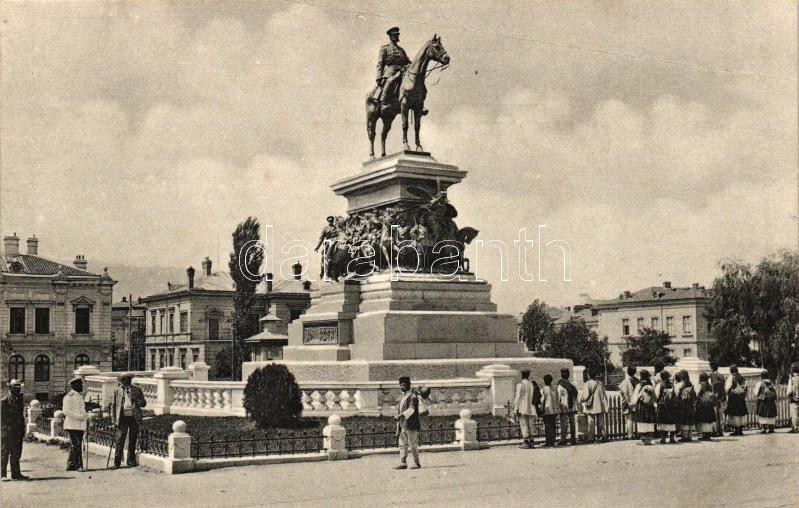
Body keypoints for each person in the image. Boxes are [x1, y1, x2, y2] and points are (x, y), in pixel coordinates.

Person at [111, 373, 147, 469]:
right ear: (121, 381)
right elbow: (113, 406)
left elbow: (143, 403)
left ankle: (130, 461)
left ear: (130, 380)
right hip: (122, 418)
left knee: (132, 439)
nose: (126, 382)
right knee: (119, 440)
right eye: (124, 380)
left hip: (134, 418)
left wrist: (136, 400)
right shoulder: (117, 391)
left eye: (128, 380)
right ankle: (117, 463)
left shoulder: (137, 390)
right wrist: (114, 420)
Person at [373, 27, 411, 104]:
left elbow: (407, 62)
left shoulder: (401, 50)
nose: (396, 37)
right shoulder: (385, 48)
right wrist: (378, 77)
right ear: (390, 36)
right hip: (391, 71)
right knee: (390, 81)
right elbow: (380, 63)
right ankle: (383, 101)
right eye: (394, 35)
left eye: (397, 35)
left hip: (402, 71)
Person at [1, 379, 28, 481]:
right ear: (9, 388)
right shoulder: (3, 401)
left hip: (18, 432)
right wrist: (6, 430)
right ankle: (2, 474)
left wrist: (22, 430)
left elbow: (21, 417)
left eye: (19, 388)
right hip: (7, 432)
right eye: (15, 388)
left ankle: (16, 474)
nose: (18, 390)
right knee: (4, 454)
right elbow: (2, 419)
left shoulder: (19, 400)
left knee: (16, 453)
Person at [394, 376, 422, 469]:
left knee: (412, 444)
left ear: (409, 385)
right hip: (403, 424)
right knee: (402, 444)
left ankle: (416, 463)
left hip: (411, 424)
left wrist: (400, 415)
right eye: (401, 385)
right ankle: (403, 462)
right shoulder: (404, 396)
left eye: (404, 385)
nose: (403, 387)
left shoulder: (413, 396)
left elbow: (411, 410)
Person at [63, 377, 88, 471]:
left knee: (75, 445)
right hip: (72, 425)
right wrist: (80, 417)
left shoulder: (80, 396)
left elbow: (82, 410)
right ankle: (79, 465)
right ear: (74, 385)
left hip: (80, 425)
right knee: (76, 445)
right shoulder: (68, 397)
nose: (82, 386)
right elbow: (66, 411)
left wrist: (85, 416)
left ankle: (70, 465)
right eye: (80, 384)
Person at [580, 370, 609, 443]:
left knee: (591, 422)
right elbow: (604, 393)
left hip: (591, 405)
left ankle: (591, 438)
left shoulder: (588, 383)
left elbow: (586, 396)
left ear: (589, 375)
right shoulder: (600, 383)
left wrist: (582, 399)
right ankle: (603, 436)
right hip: (600, 405)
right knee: (601, 422)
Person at [513, 369, 538, 449]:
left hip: (523, 407)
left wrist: (515, 408)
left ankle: (526, 442)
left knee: (524, 424)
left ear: (522, 375)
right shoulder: (531, 384)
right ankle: (532, 441)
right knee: (531, 424)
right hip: (531, 406)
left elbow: (517, 397)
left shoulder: (520, 384)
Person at [631, 370, 657, 445]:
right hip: (650, 406)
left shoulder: (639, 385)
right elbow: (655, 396)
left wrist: (633, 404)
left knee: (642, 422)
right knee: (649, 422)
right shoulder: (651, 384)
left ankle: (643, 440)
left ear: (641, 376)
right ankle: (649, 440)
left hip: (642, 406)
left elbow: (635, 397)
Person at [724, 365, 748, 436]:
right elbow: (745, 388)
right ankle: (740, 429)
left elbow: (727, 388)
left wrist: (730, 392)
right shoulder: (741, 377)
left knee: (734, 414)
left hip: (733, 398)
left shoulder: (731, 377)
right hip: (741, 398)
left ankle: (736, 430)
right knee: (740, 414)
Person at [557, 367, 579, 446]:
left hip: (564, 407)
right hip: (571, 407)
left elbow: (558, 397)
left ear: (561, 375)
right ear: (568, 375)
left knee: (564, 424)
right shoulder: (572, 386)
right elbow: (576, 395)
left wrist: (558, 406)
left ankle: (563, 439)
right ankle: (573, 439)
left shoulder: (560, 386)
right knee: (572, 423)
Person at [655, 371, 677, 444]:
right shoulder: (672, 385)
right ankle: (672, 438)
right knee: (671, 421)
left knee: (662, 421)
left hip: (662, 405)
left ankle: (663, 438)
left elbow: (657, 395)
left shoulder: (660, 385)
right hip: (671, 405)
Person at [618, 366, 639, 440]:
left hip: (627, 403)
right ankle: (638, 433)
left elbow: (621, 392)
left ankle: (630, 435)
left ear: (627, 372)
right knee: (636, 419)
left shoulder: (625, 382)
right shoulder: (638, 381)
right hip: (636, 402)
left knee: (629, 419)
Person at [695, 373, 717, 441]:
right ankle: (707, 434)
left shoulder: (701, 385)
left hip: (703, 404)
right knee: (708, 420)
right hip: (709, 404)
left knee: (704, 420)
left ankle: (705, 435)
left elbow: (697, 393)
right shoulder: (709, 385)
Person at [540, 374, 561, 447]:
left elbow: (542, 401)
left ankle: (548, 441)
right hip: (554, 410)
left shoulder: (543, 390)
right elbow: (558, 399)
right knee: (553, 425)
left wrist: (541, 409)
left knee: (547, 426)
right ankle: (553, 440)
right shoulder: (555, 389)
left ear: (544, 381)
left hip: (547, 410)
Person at [674, 370, 695, 442]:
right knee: (690, 419)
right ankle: (689, 436)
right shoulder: (690, 383)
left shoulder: (680, 384)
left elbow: (677, 395)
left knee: (684, 420)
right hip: (690, 404)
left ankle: (684, 437)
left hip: (683, 404)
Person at [754, 370, 777, 434]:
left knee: (763, 414)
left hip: (763, 401)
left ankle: (763, 428)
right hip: (771, 401)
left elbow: (756, 393)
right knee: (771, 414)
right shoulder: (771, 383)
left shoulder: (760, 383)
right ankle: (771, 428)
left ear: (761, 376)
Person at [708, 362, 727, 437]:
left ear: (711, 367)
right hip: (721, 397)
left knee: (714, 414)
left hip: (713, 397)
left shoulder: (710, 376)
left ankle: (714, 431)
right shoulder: (722, 376)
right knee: (721, 415)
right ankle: (721, 431)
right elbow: (723, 387)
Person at [788, 362, 799, 433]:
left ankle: (795, 428)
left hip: (794, 398)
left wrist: (788, 394)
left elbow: (789, 390)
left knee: (794, 413)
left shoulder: (792, 379)